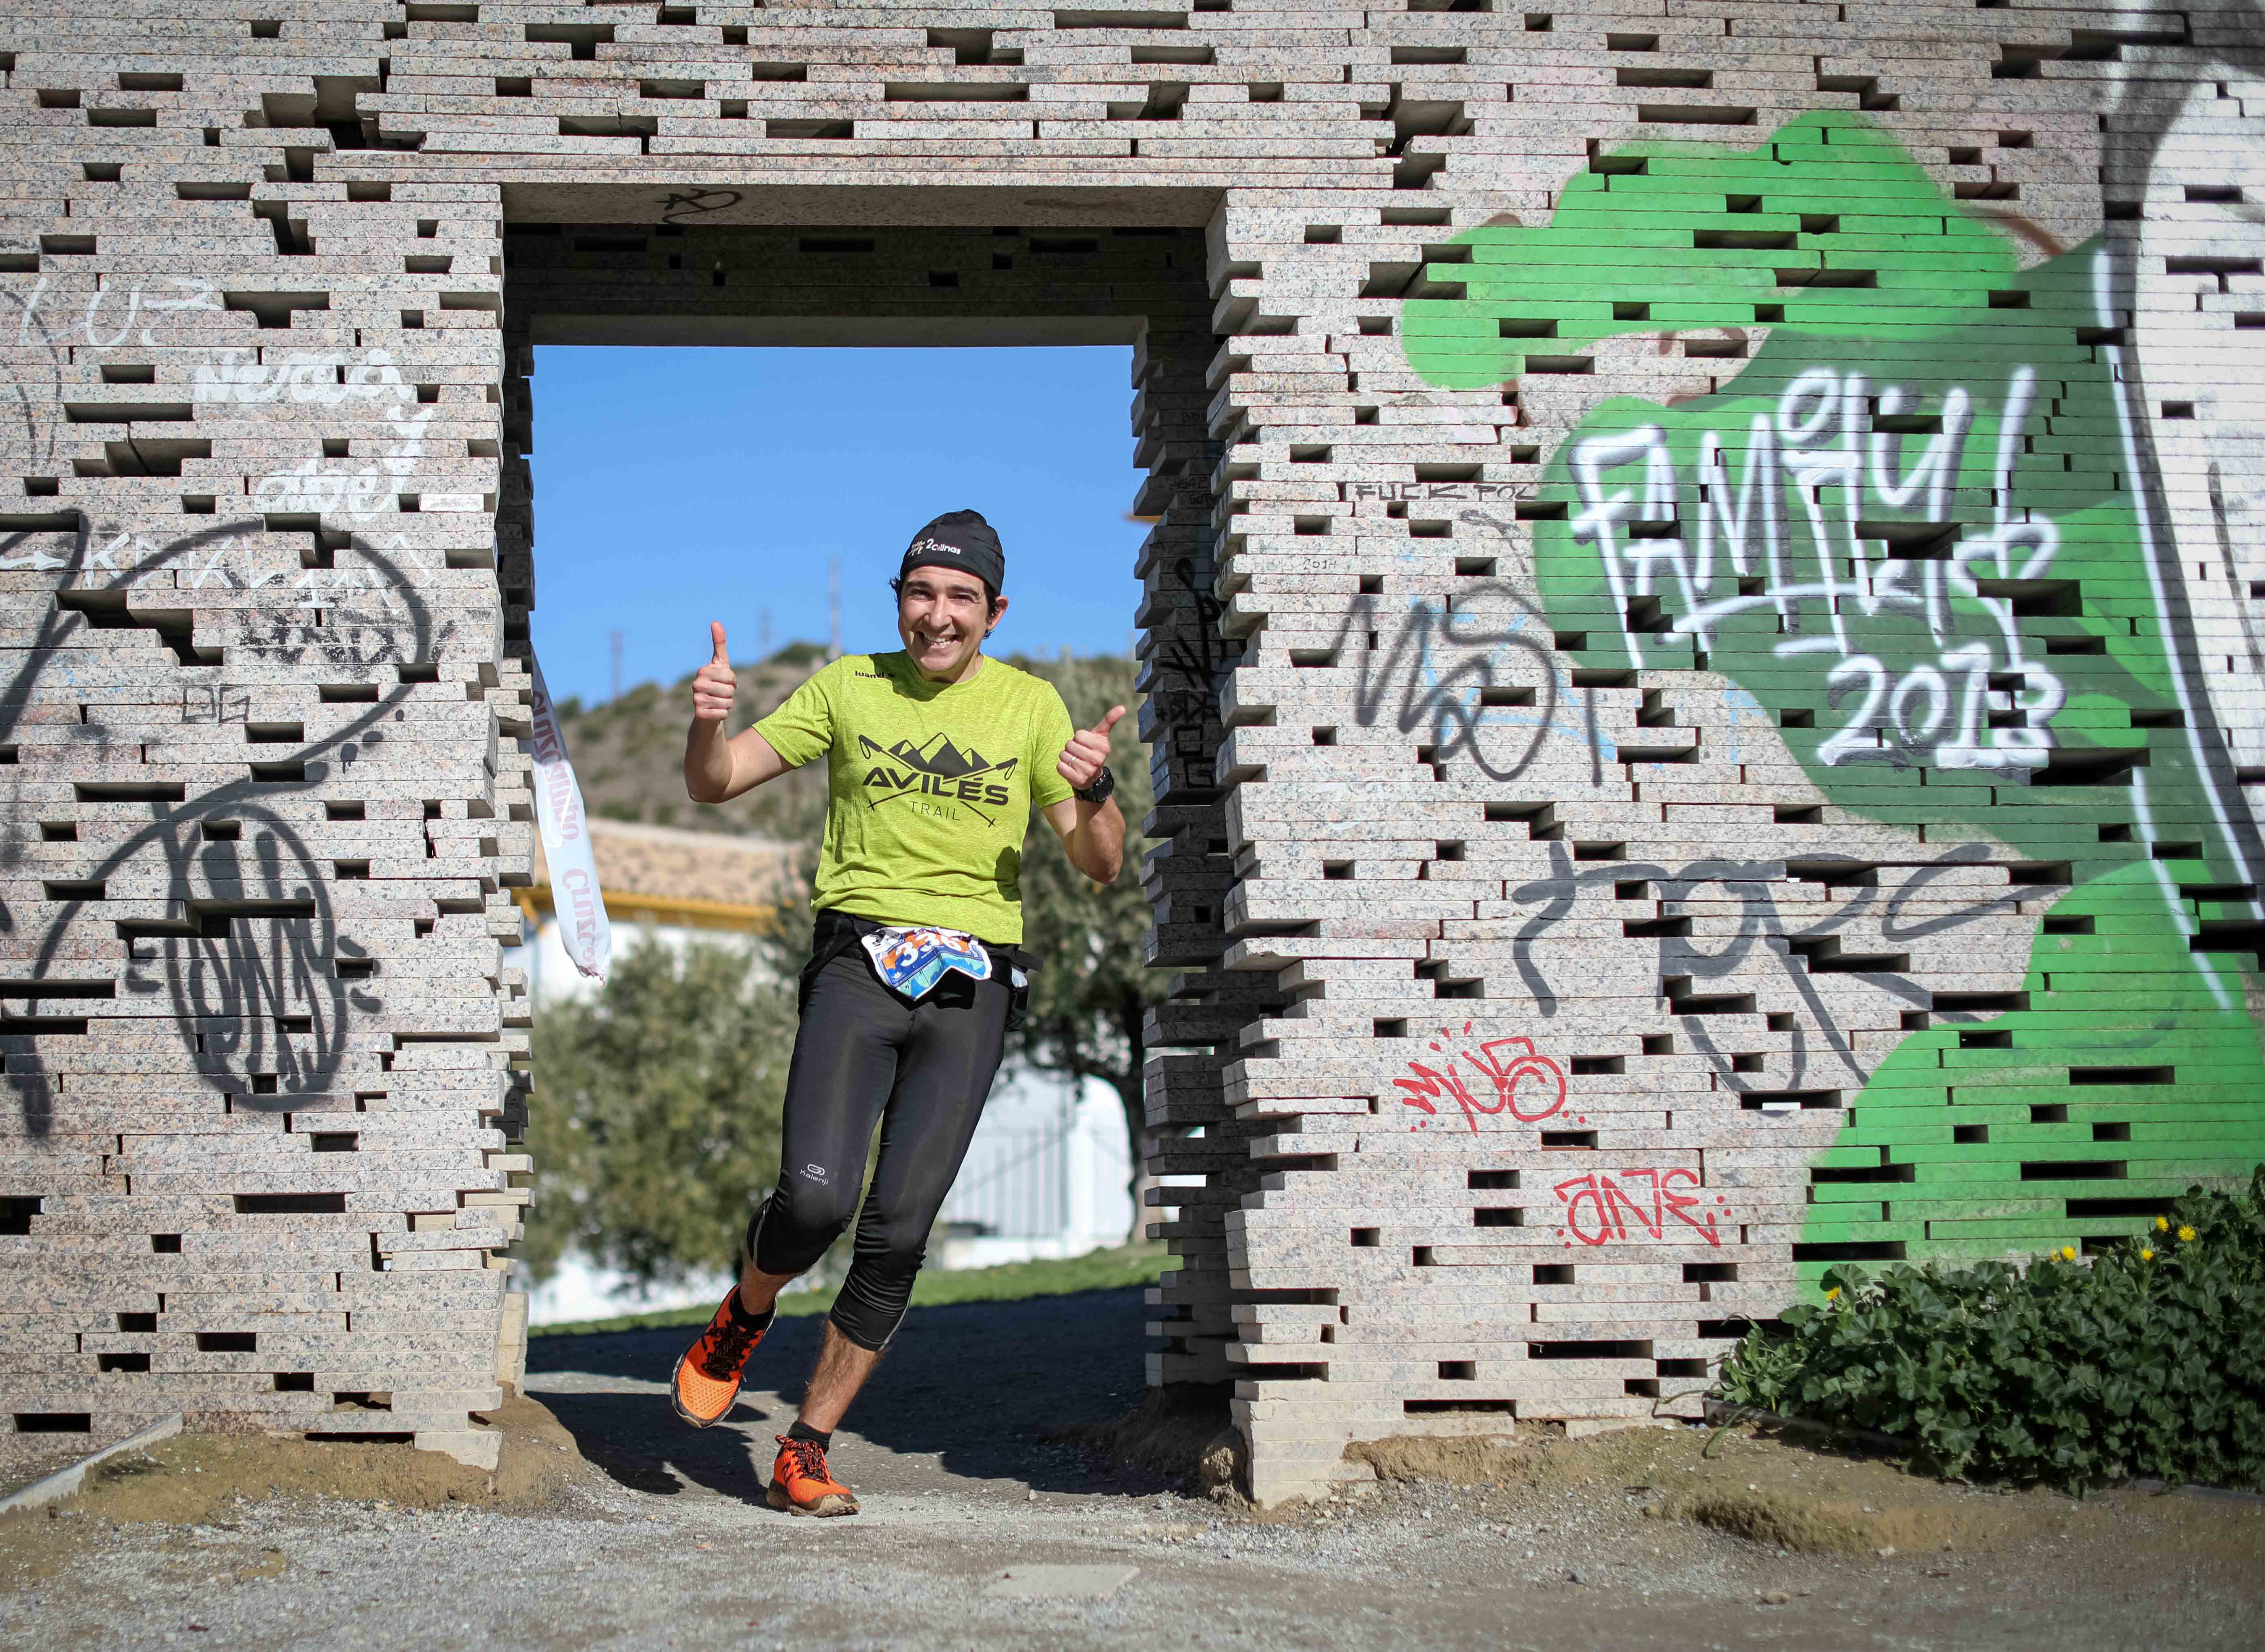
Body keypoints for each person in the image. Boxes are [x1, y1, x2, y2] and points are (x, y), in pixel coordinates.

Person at [668, 509, 1127, 1517]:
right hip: (858, 959)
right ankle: (745, 1312)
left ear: (994, 613)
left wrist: (1095, 796)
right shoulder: (848, 685)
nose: (939, 613)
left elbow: (1100, 866)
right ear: (899, 600)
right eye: (922, 591)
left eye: (961, 597)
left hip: (975, 981)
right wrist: (707, 721)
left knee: (900, 1229)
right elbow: (715, 784)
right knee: (818, 1198)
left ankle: (807, 1444)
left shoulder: (1032, 708)